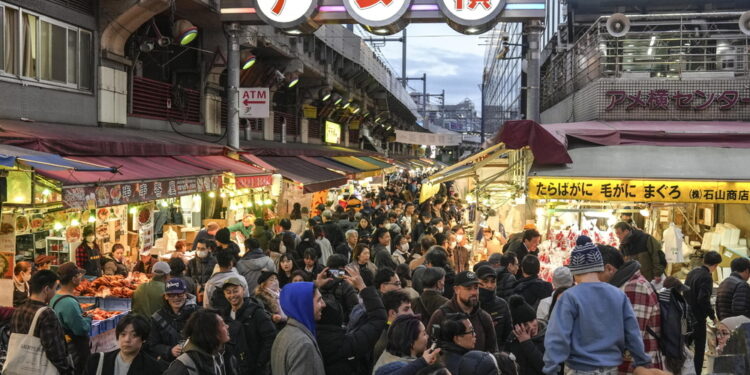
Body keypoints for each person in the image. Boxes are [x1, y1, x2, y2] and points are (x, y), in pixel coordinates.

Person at [543, 243, 655, 375]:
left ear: (574, 271)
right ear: (599, 267)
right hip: (612, 370)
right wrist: (641, 360)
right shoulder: (618, 295)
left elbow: (557, 337)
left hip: (579, 369)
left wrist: (550, 369)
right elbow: (632, 333)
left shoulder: (569, 297)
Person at [598, 245, 664, 374]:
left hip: (636, 368)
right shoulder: (623, 285)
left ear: (609, 269)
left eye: (594, 274)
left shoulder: (634, 287)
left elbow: (632, 337)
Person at [317, 265, 388, 375]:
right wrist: (362, 286)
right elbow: (378, 318)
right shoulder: (345, 344)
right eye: (318, 301)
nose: (321, 303)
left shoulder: (308, 334)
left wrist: (315, 286)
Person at [9, 270, 74, 374]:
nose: (55, 292)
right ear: (46, 289)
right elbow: (55, 351)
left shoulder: (19, 309)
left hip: (20, 368)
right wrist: (67, 369)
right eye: (55, 288)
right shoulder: (47, 314)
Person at [427, 271, 498, 353]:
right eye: (468, 289)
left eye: (476, 288)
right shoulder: (441, 315)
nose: (474, 292)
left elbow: (493, 351)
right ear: (456, 290)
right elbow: (430, 349)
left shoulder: (484, 317)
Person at [221, 277, 277, 374]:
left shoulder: (256, 312)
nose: (232, 295)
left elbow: (270, 337)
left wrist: (260, 363)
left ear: (243, 290)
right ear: (224, 294)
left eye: (235, 291)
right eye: (228, 292)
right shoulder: (224, 316)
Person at [271, 281, 328, 375]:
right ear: (304, 304)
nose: (324, 304)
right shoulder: (303, 345)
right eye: (319, 300)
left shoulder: (282, 334)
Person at [163, 309, 237, 375]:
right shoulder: (184, 366)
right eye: (222, 324)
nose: (227, 326)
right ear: (211, 332)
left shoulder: (222, 355)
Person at [85, 314, 165, 375]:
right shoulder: (96, 361)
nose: (127, 340)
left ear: (143, 339)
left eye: (134, 335)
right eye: (123, 334)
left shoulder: (153, 368)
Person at [50, 262, 92, 374]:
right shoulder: (69, 302)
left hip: (63, 347)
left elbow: (75, 318)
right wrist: (88, 318)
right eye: (78, 275)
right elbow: (81, 329)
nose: (80, 277)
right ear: (73, 279)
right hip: (73, 351)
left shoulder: (55, 296)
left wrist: (83, 315)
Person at [684, 250, 721, 374]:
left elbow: (684, 292)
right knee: (699, 351)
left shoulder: (692, 273)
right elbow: (703, 299)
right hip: (698, 319)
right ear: (715, 266)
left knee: (684, 348)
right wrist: (713, 317)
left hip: (685, 317)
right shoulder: (706, 277)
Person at [147, 278, 198, 363]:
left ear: (186, 294)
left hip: (194, 362)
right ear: (166, 296)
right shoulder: (157, 317)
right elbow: (152, 344)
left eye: (179, 294)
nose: (176, 298)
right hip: (169, 365)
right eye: (171, 295)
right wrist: (169, 350)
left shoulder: (199, 314)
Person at [372, 314, 441, 375]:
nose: (428, 336)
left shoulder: (387, 355)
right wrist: (423, 362)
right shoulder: (404, 367)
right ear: (411, 343)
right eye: (424, 334)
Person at [475, 265, 512, 351]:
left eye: (493, 281)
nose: (489, 285)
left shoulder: (502, 304)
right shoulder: (471, 303)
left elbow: (508, 334)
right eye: (485, 281)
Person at [507, 295, 546, 375]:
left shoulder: (548, 337)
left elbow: (545, 368)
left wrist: (526, 343)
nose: (531, 327)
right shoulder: (512, 341)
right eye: (525, 324)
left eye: (532, 321)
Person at [373, 290, 414, 364]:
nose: (412, 313)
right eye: (406, 309)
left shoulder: (396, 333)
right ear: (392, 313)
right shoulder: (386, 343)